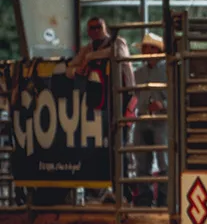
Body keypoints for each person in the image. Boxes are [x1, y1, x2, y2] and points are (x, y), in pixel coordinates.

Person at [69, 17, 136, 203]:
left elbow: (116, 53)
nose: (96, 30)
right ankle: (113, 191)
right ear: (88, 31)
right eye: (92, 28)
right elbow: (71, 67)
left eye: (99, 27)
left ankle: (123, 191)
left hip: (122, 99)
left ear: (104, 27)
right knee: (105, 149)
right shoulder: (89, 48)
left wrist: (88, 59)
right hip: (102, 104)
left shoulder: (117, 42)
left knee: (119, 147)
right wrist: (78, 70)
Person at [131, 32, 168, 207]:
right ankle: (145, 197)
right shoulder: (138, 73)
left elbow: (178, 95)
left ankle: (164, 197)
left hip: (162, 120)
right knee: (142, 159)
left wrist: (164, 104)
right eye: (145, 47)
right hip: (144, 118)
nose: (146, 51)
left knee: (163, 160)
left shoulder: (168, 69)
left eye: (150, 47)